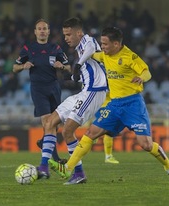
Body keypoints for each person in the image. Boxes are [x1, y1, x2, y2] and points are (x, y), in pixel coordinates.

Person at [49, 26, 169, 185]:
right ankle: (68, 169)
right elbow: (91, 52)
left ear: (116, 44)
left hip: (133, 104)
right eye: (101, 43)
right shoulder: (104, 55)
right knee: (91, 133)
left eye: (105, 44)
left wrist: (141, 78)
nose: (103, 47)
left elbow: (147, 72)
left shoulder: (129, 56)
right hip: (114, 105)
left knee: (145, 145)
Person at [37, 17, 108, 184]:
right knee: (49, 122)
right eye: (64, 35)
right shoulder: (79, 49)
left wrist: (77, 65)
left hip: (94, 92)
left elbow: (91, 47)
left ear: (78, 32)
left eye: (69, 34)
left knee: (67, 131)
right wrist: (72, 75)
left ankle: (79, 173)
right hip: (84, 92)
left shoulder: (87, 41)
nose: (66, 38)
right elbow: (84, 71)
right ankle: (43, 167)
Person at [13, 19, 70, 164]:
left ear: (49, 31)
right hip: (38, 89)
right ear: (35, 32)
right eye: (39, 29)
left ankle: (43, 142)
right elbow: (14, 68)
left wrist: (61, 66)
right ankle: (55, 158)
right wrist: (23, 66)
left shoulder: (55, 48)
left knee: (54, 123)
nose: (42, 31)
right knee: (46, 121)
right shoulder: (28, 48)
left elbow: (69, 67)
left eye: (45, 28)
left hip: (54, 87)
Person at [94, 92, 119, 164]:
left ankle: (108, 156)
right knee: (108, 129)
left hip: (111, 106)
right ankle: (108, 156)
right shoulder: (102, 81)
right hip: (102, 106)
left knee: (109, 130)